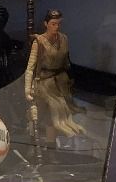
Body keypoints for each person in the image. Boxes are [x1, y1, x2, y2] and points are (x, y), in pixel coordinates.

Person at [25, 9, 85, 142]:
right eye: (53, 24)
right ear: (46, 24)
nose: (56, 27)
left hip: (60, 82)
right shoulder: (39, 42)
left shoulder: (63, 39)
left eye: (58, 24)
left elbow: (66, 61)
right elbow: (30, 68)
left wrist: (70, 78)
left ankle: (51, 146)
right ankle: (32, 139)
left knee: (54, 117)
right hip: (43, 82)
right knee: (38, 113)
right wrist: (27, 89)